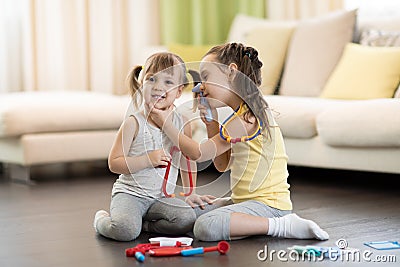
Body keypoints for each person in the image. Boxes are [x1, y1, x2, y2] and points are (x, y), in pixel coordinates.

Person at [148, 43, 330, 242]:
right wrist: (211, 122)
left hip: (270, 207)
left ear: (231, 72)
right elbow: (221, 164)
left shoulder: (247, 119)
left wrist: (165, 123)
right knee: (186, 214)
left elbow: (198, 154)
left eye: (207, 77)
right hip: (244, 201)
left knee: (205, 226)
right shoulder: (240, 115)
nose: (201, 86)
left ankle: (283, 224)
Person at [93, 52, 214, 241]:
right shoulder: (134, 123)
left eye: (168, 82)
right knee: (125, 231)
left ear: (179, 91)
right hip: (130, 194)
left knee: (186, 219)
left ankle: (145, 225)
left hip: (162, 199)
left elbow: (187, 159)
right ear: (142, 85)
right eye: (152, 79)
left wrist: (191, 192)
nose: (158, 87)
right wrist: (147, 160)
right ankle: (102, 220)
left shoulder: (183, 123)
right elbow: (114, 163)